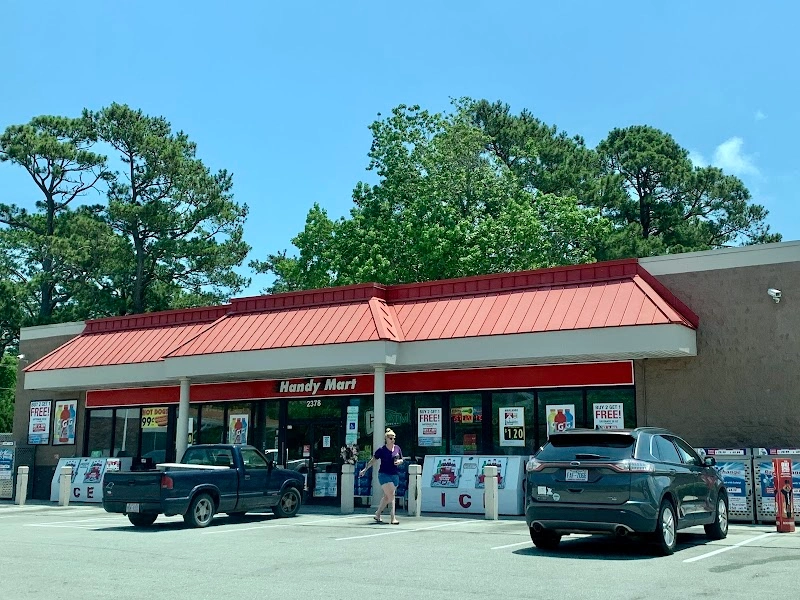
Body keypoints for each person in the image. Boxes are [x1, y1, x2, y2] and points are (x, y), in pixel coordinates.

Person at [360, 428, 403, 525]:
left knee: (387, 497)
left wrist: (399, 462)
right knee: (391, 495)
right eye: (390, 438)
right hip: (384, 475)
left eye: (394, 438)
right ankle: (393, 517)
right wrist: (365, 469)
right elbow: (373, 460)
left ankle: (378, 514)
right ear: (386, 439)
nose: (392, 440)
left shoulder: (397, 448)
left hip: (395, 475)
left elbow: (401, 459)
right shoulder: (382, 450)